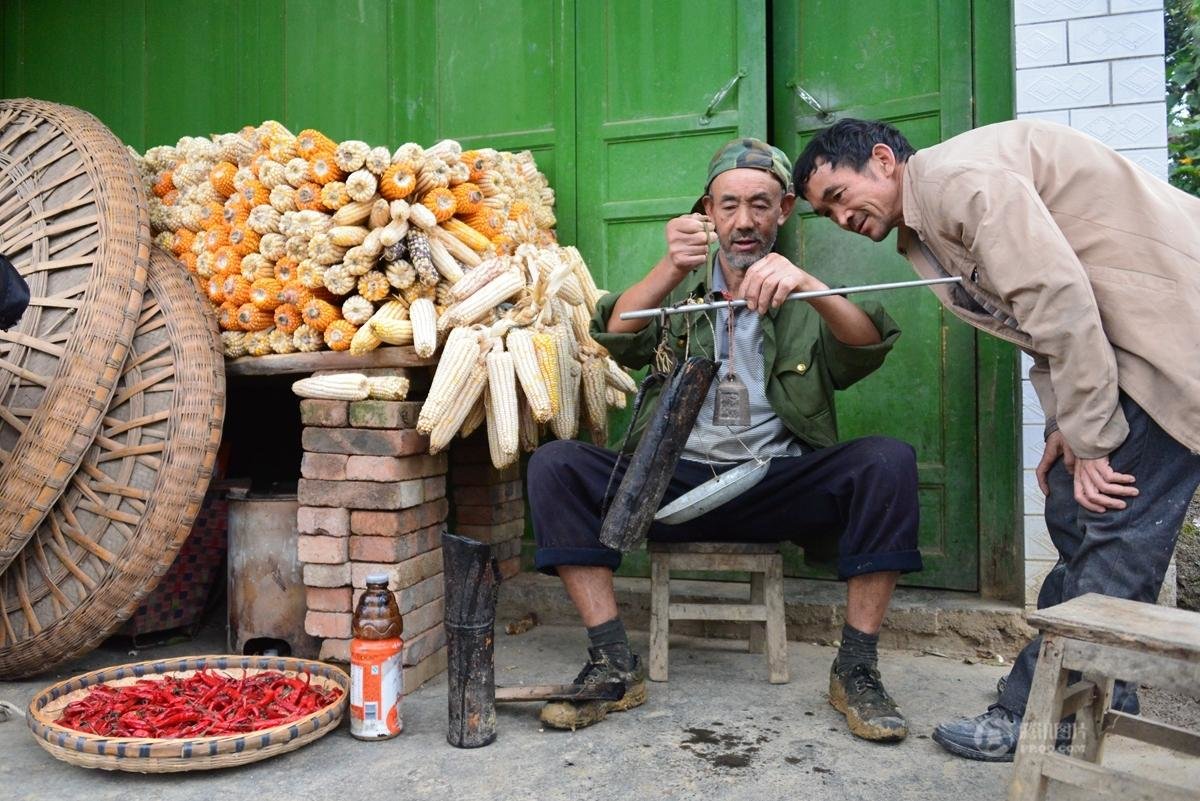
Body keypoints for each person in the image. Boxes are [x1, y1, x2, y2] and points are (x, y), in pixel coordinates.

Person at [794, 117, 1200, 761]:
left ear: (881, 160)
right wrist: (1068, 427)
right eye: (826, 214)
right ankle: (1101, 699)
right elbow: (1033, 327)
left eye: (840, 196)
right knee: (1073, 505)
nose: (840, 218)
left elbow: (1060, 301)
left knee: (1111, 530)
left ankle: (1036, 714)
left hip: (1166, 347)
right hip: (1124, 354)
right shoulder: (923, 228)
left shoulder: (960, 183)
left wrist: (1093, 440)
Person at [527, 138, 922, 742]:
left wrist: (807, 283)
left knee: (887, 461)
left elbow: (866, 345)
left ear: (785, 209)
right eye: (729, 205)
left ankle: (857, 669)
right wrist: (670, 269)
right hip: (671, 483)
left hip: (773, 484)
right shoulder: (683, 293)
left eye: (760, 205)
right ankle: (612, 662)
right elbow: (613, 331)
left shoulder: (800, 296)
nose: (744, 221)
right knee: (556, 464)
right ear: (707, 212)